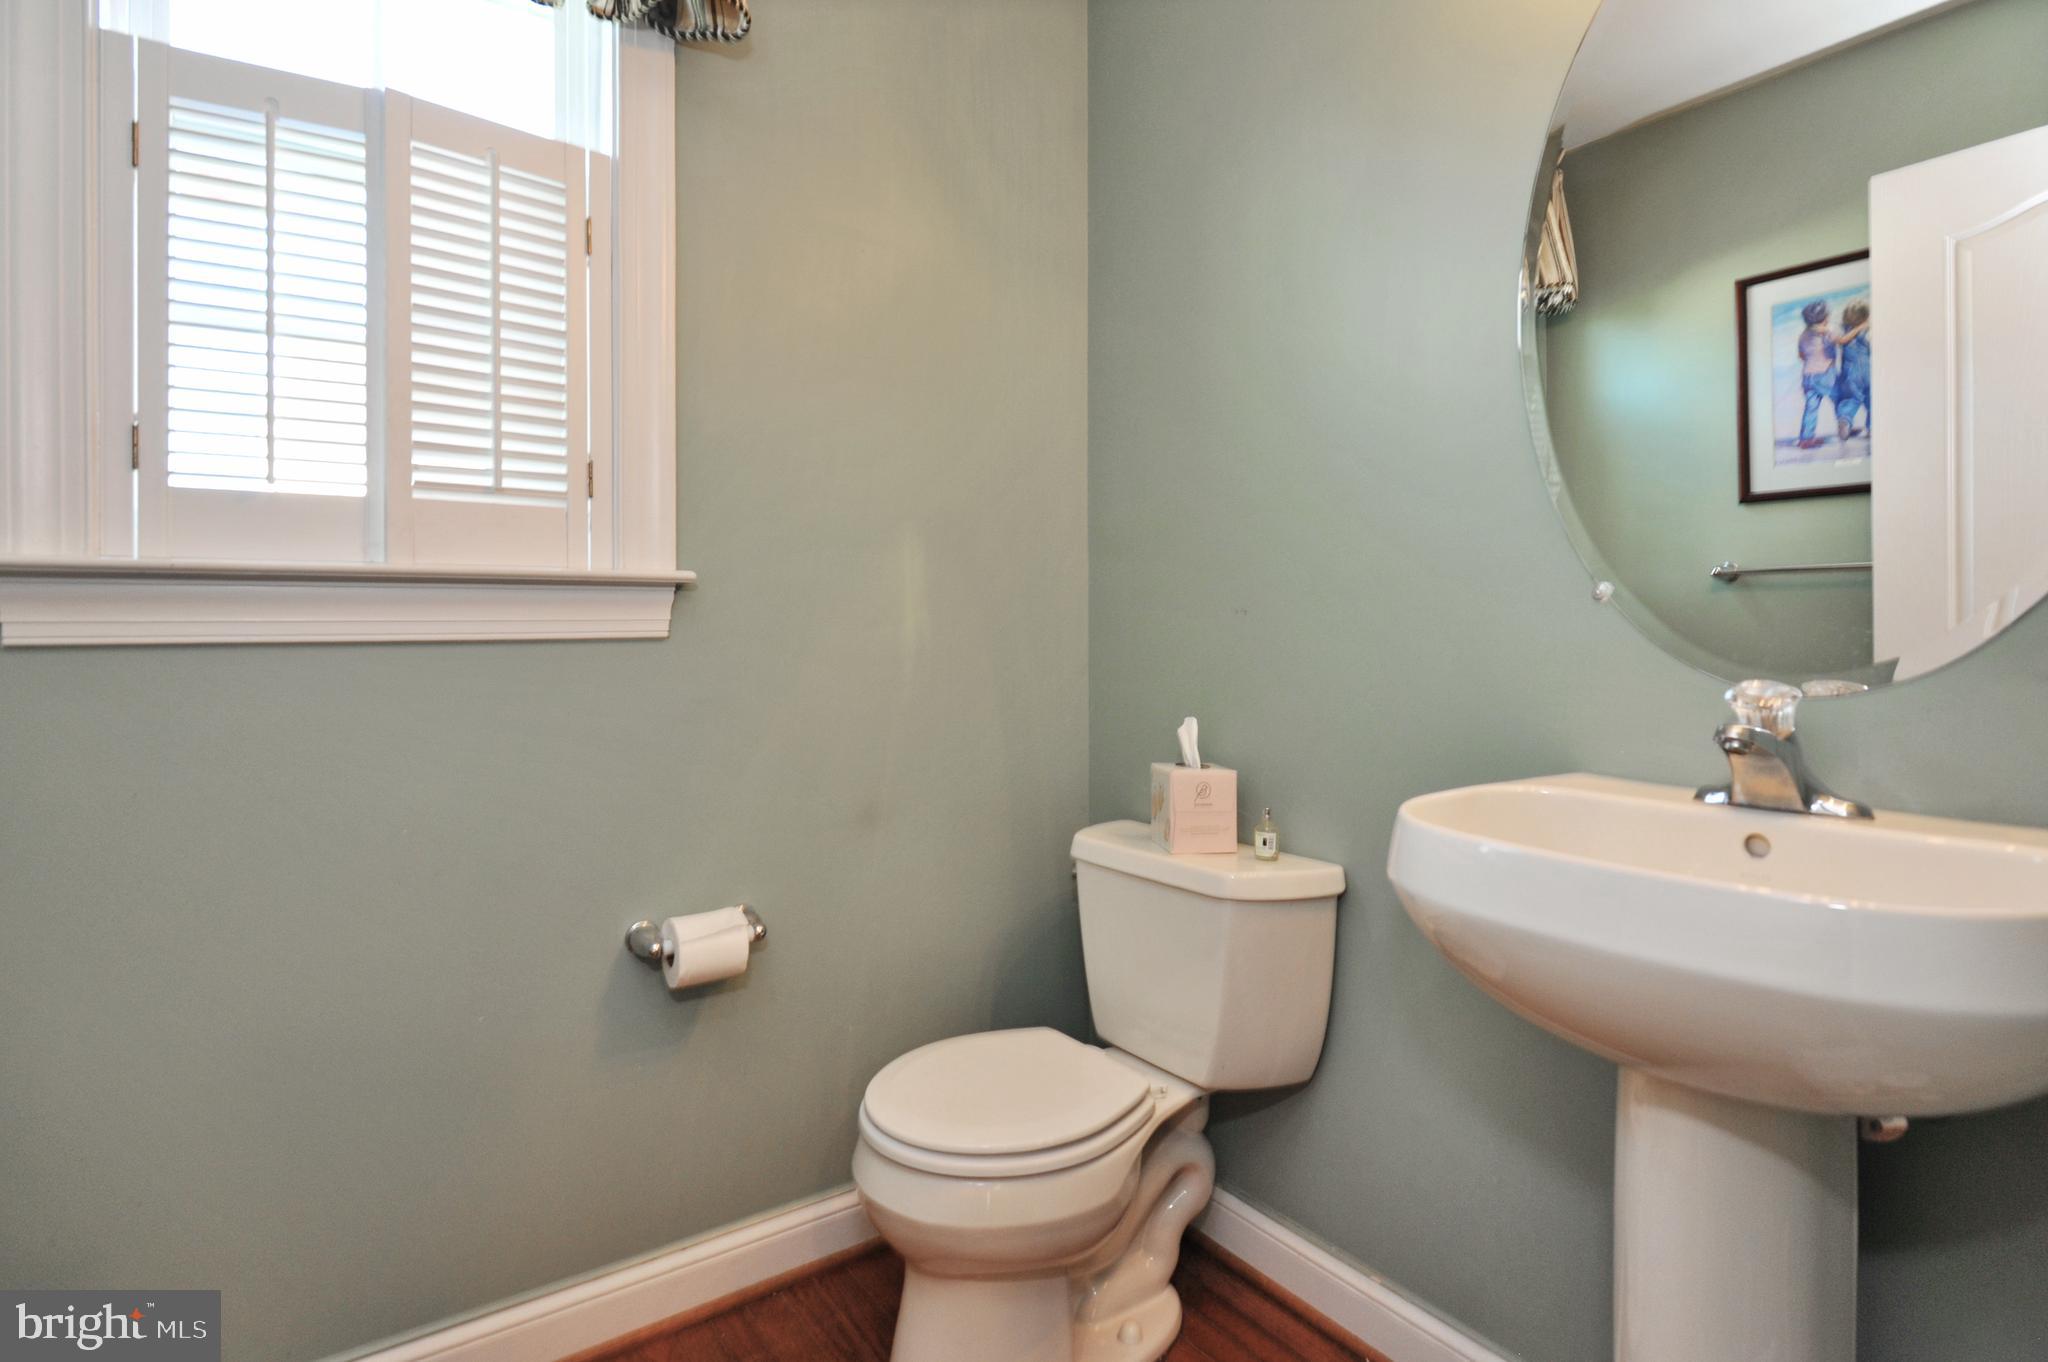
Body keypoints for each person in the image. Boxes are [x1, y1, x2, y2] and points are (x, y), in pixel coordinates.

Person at [1795, 300, 1839, 451]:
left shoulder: (1802, 335)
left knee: (1811, 408)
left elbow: (1801, 355)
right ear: (1824, 318)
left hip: (1807, 376)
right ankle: (1845, 425)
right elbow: (1841, 341)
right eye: (1827, 316)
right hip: (1825, 373)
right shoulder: (1827, 332)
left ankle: (1806, 439)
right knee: (1840, 399)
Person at [1834, 300, 1871, 445]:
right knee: (1871, 400)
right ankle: (1872, 428)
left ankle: (1845, 420)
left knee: (1850, 399)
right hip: (1868, 371)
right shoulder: (1867, 331)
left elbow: (1838, 339)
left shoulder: (1843, 330)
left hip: (1849, 373)